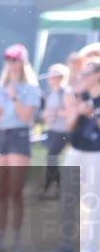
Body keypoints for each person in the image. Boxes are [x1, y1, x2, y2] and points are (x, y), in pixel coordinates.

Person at [0, 43, 41, 252]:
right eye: (8, 59)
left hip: (19, 136)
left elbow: (26, 117)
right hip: (2, 136)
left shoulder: (32, 88)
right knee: (1, 192)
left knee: (16, 192)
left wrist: (15, 96)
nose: (11, 63)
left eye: (15, 59)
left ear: (23, 62)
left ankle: (16, 240)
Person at [52, 55, 100, 252]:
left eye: (85, 73)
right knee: (68, 197)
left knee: (95, 200)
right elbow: (69, 125)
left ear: (97, 75)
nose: (81, 76)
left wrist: (92, 114)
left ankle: (91, 245)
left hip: (96, 152)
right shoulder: (81, 96)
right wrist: (76, 111)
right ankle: (66, 244)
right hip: (76, 149)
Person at [40, 63, 72, 199]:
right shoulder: (51, 93)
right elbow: (47, 112)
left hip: (63, 131)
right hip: (52, 129)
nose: (49, 79)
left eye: (52, 76)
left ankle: (53, 186)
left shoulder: (65, 92)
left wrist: (56, 112)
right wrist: (47, 115)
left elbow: (71, 112)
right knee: (50, 158)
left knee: (51, 157)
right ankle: (53, 187)